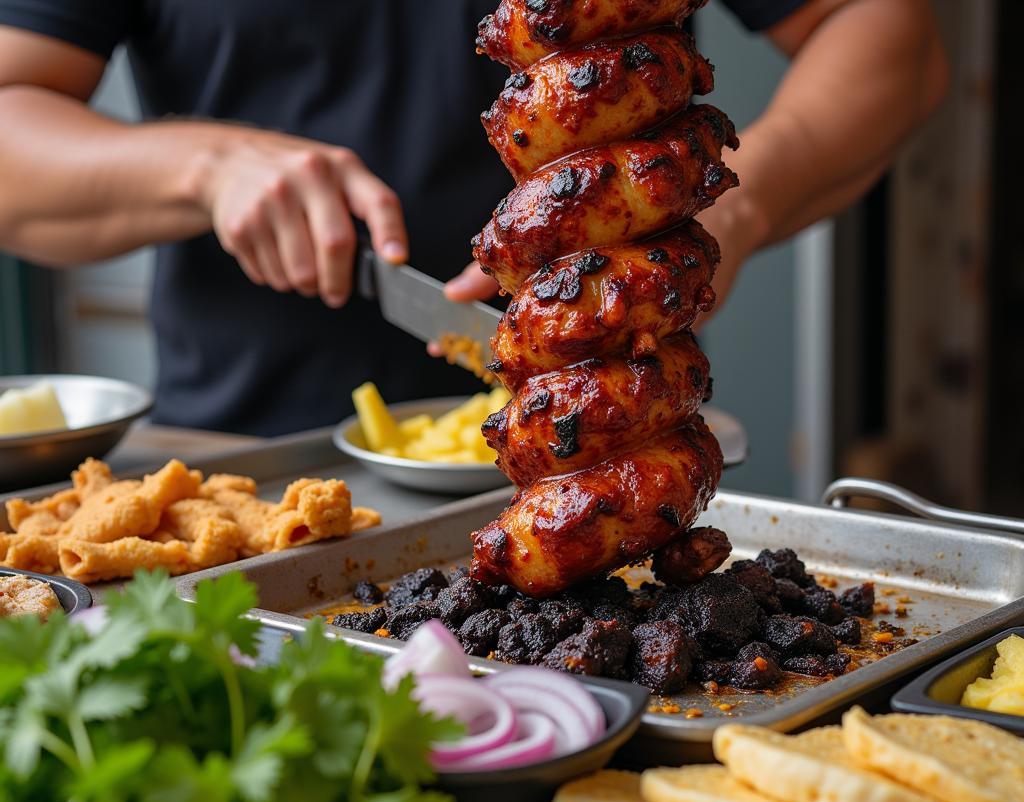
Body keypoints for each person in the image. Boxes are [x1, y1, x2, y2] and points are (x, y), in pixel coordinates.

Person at [0, 1, 947, 436]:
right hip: (252, 459)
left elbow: (886, 34)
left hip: (607, 425)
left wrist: (730, 214)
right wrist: (205, 166)